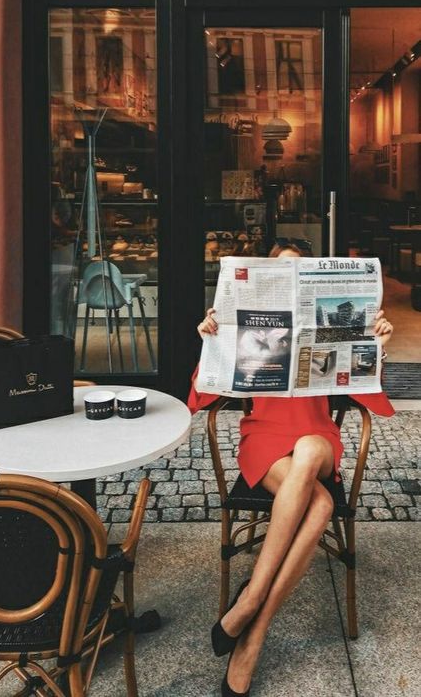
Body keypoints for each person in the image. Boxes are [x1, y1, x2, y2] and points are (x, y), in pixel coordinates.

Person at [189, 243, 395, 697]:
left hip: (318, 438)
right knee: (318, 504)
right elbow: (202, 396)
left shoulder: (328, 323)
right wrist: (212, 340)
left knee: (306, 451)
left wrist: (375, 348)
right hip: (262, 440)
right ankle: (255, 634)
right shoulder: (248, 321)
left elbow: (372, 400)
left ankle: (249, 600)